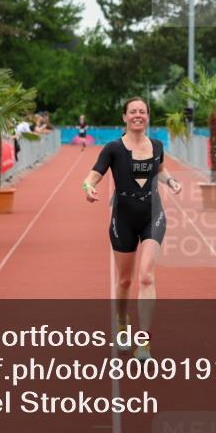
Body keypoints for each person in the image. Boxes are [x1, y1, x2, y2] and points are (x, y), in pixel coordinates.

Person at [82, 97, 182, 361]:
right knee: (125, 280)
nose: (138, 115)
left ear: (147, 117)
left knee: (147, 276)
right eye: (133, 112)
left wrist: (171, 181)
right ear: (125, 117)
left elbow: (160, 168)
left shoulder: (158, 145)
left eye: (142, 111)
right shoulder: (113, 148)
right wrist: (88, 188)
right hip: (123, 219)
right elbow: (93, 175)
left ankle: (144, 342)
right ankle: (122, 319)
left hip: (153, 215)